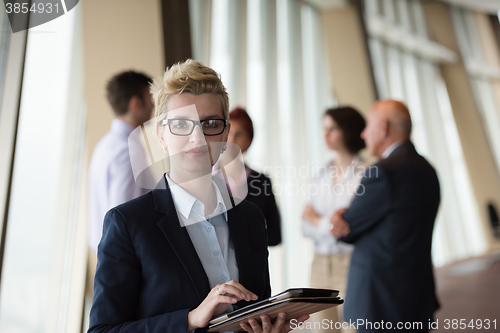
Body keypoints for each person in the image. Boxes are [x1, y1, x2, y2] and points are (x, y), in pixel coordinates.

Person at [88, 59, 308, 333]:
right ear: (161, 135)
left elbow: (254, 311)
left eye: (211, 123)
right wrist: (190, 319)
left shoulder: (250, 218)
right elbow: (102, 330)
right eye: (181, 124)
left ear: (226, 133)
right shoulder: (127, 224)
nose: (198, 138)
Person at [331, 100, 440, 332]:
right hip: (416, 295)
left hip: (381, 302)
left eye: (367, 125)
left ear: (382, 127)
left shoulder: (383, 172)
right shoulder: (427, 169)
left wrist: (339, 217)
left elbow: (346, 229)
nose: (363, 133)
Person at [301, 107, 367, 333]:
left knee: (353, 329)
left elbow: (353, 226)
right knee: (322, 330)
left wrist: (318, 219)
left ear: (348, 130)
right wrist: (331, 223)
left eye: (333, 129)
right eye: (324, 129)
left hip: (352, 264)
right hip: (319, 265)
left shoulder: (367, 173)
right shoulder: (321, 173)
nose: (325, 135)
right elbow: (304, 226)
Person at [88, 71, 154, 254]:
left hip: (109, 253)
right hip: (125, 257)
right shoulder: (128, 151)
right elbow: (125, 217)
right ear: (136, 103)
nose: (153, 105)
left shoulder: (105, 145)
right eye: (150, 98)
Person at [225, 107, 282, 246]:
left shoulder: (262, 182)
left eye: (239, 134)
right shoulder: (206, 178)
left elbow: (276, 235)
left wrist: (248, 235)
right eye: (228, 133)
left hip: (251, 265)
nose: (232, 139)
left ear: (249, 141)